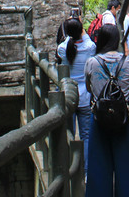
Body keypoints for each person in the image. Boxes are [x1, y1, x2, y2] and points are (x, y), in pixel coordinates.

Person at [84, 24, 129, 197]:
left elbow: (90, 89)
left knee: (99, 166)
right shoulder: (128, 62)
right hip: (125, 119)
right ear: (117, 40)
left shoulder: (91, 63)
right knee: (127, 167)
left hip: (99, 119)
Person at [56, 17, 95, 175]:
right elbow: (91, 43)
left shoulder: (62, 49)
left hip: (68, 96)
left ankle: (68, 169)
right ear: (81, 31)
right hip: (85, 96)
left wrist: (72, 32)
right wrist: (82, 31)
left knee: (69, 134)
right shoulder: (89, 48)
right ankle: (85, 172)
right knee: (86, 135)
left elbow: (62, 46)